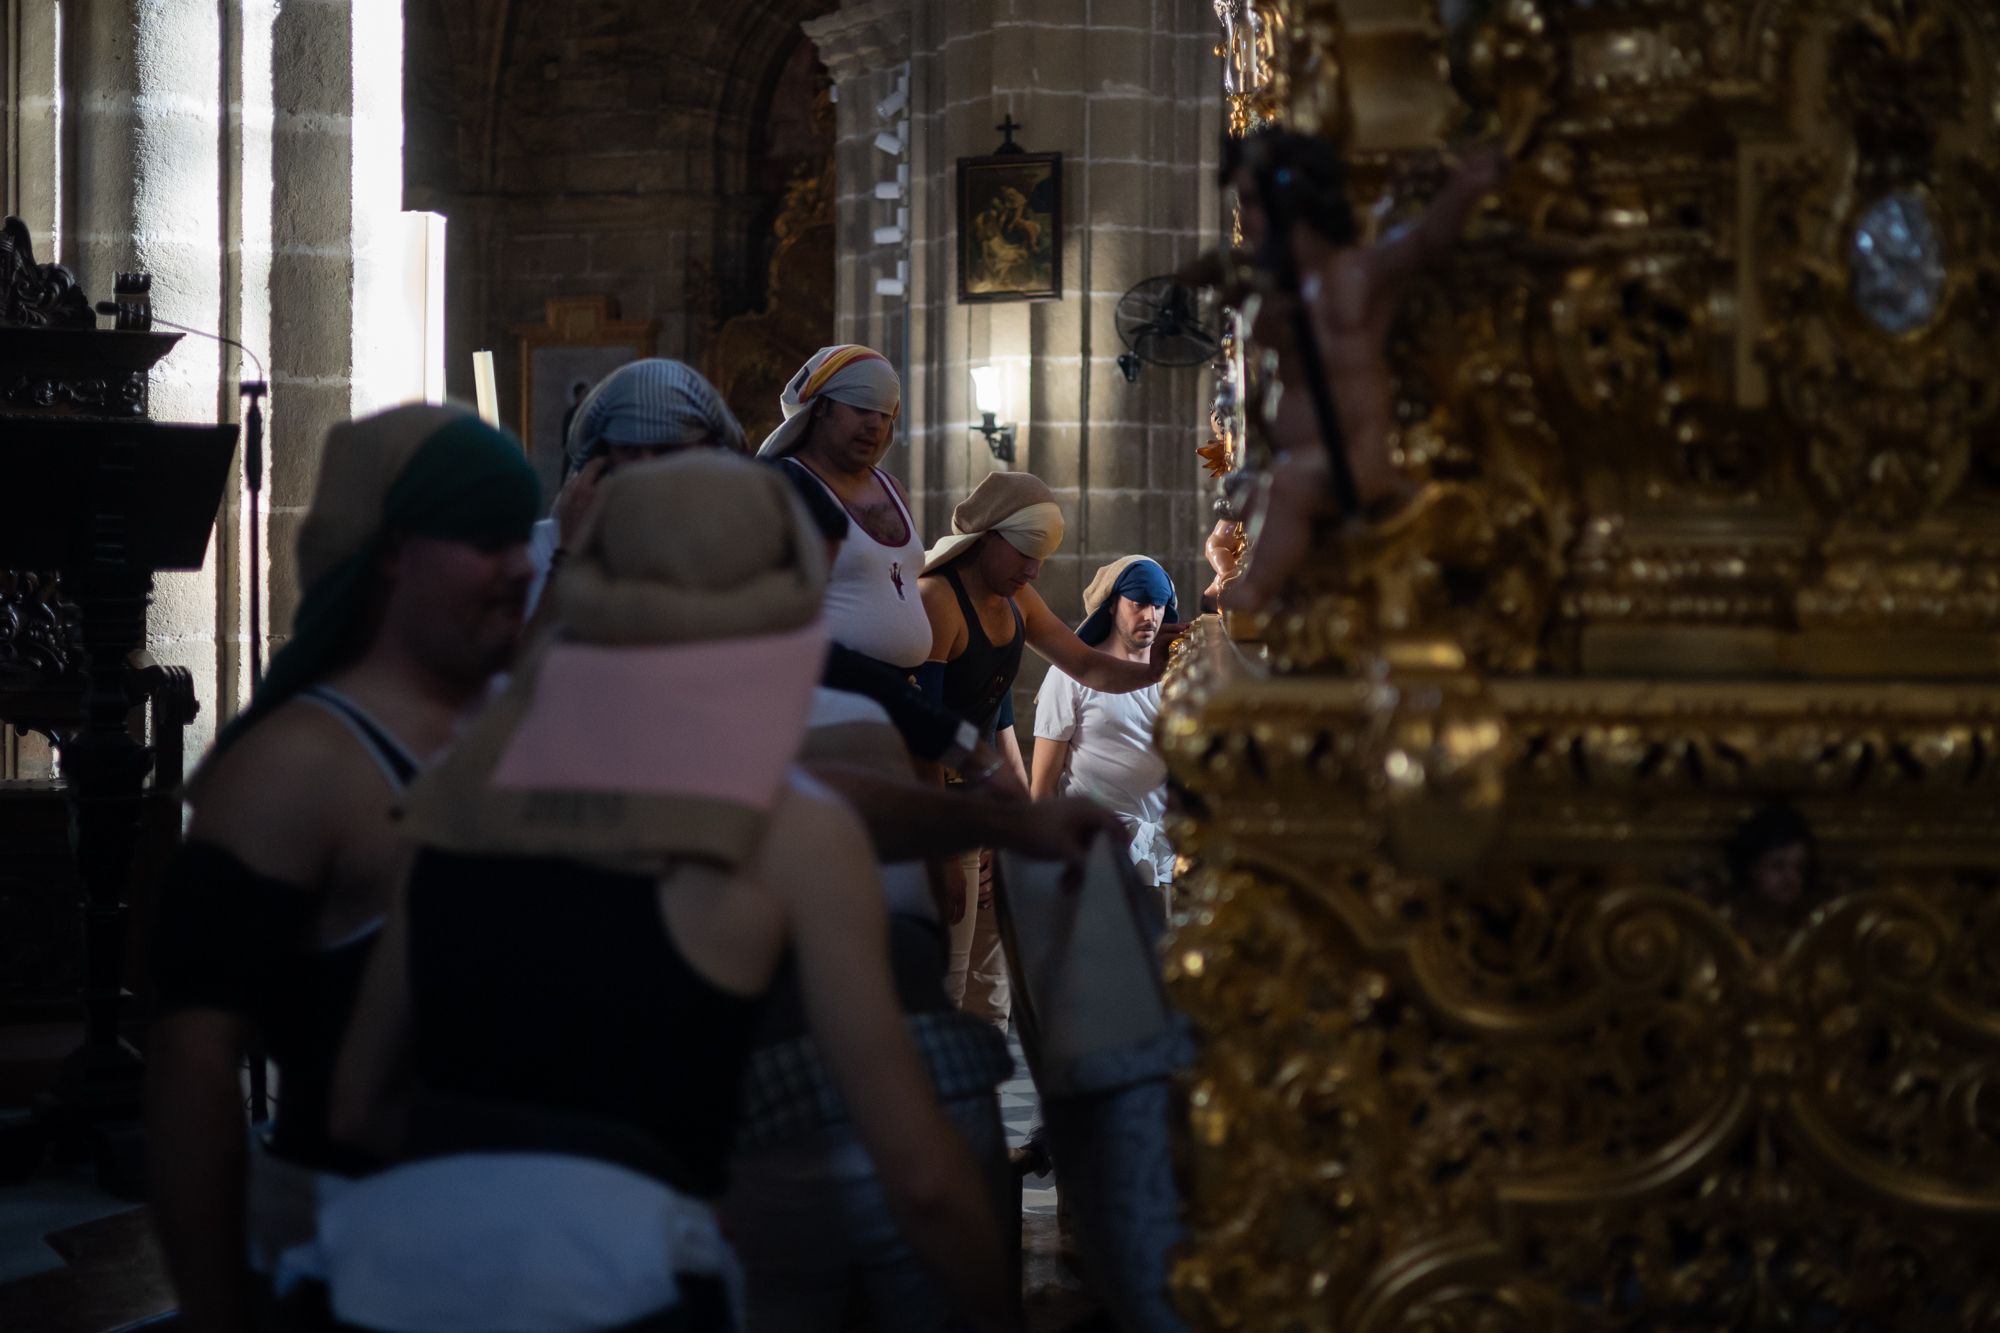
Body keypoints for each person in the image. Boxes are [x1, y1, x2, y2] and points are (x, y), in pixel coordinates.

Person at [320, 452, 1020, 1333]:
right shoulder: (789, 827)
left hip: (404, 1282)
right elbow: (921, 1180)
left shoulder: (456, 791)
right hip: (623, 1286)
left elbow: (358, 1105)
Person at [146, 404, 541, 1333]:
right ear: (395, 551)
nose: (522, 566)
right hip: (381, 1270)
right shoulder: (295, 770)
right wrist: (217, 1310)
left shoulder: (526, 717)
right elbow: (193, 1063)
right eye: (488, 540)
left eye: (522, 537)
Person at [917, 472, 1182, 1026]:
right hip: (944, 810)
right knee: (946, 976)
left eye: (1041, 560)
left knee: (992, 989)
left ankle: (984, 1111)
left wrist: (1159, 667)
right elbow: (927, 731)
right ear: (988, 538)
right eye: (1025, 555)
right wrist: (938, 848)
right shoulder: (938, 598)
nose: (1033, 571)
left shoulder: (1018, 600)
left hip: (989, 808)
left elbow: (1086, 666)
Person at [1222, 127, 1506, 613]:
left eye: (1253, 201)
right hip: (1303, 461)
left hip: (1355, 463)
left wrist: (1464, 191)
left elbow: (1420, 243)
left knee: (1285, 489)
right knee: (1256, 496)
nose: (1244, 219)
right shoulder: (1276, 292)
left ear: (1294, 199)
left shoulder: (1353, 277)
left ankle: (1258, 588)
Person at [527, 357, 746, 614]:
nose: (645, 470)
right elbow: (533, 653)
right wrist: (571, 555)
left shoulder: (747, 547)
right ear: (601, 461)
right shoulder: (544, 546)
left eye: (666, 450)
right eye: (629, 451)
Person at [1032, 556, 1180, 906]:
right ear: (1113, 606)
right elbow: (1043, 780)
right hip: (1097, 845)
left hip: (1166, 849)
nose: (1150, 616)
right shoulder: (1069, 676)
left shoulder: (1178, 677)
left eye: (1159, 605)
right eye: (1138, 603)